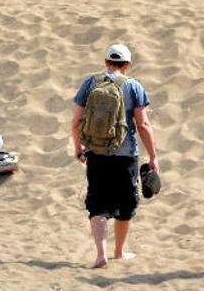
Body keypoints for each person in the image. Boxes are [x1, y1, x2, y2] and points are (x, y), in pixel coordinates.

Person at [71, 43, 160, 269]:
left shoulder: (90, 83)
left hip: (96, 152)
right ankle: (119, 251)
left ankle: (100, 255)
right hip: (125, 154)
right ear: (127, 65)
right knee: (126, 204)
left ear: (105, 63)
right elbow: (143, 124)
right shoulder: (133, 86)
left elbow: (76, 122)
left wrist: (79, 148)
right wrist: (153, 156)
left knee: (97, 203)